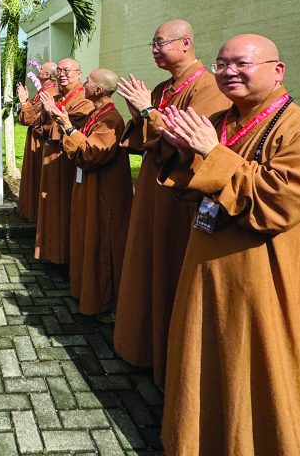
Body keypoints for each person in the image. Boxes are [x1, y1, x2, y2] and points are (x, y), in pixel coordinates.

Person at [157, 34, 300, 455]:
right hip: (213, 276)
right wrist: (186, 152)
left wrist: (212, 153)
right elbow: (197, 188)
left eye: (242, 63)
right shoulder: (220, 122)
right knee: (218, 365)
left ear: (277, 70)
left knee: (272, 375)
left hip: (274, 284)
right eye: (222, 64)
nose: (229, 72)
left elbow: (276, 203)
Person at [112, 19, 228, 386]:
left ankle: (171, 357)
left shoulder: (206, 87)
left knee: (170, 264)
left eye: (160, 42)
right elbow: (147, 137)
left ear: (186, 43)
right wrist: (140, 113)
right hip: (152, 188)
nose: (153, 49)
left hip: (180, 196)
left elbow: (191, 142)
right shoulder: (163, 88)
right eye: (153, 43)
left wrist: (148, 113)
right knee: (147, 259)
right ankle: (143, 343)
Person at [44, 68, 132, 317]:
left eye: (88, 81)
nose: (84, 83)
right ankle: (87, 291)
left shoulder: (111, 119)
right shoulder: (97, 113)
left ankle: (103, 303)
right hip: (90, 186)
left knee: (101, 241)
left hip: (104, 192)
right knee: (87, 235)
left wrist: (67, 126)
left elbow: (92, 153)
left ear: (98, 90)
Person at [34, 58, 94, 264]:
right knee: (51, 202)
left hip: (68, 159)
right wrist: (47, 115)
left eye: (67, 70)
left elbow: (76, 125)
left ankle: (67, 255)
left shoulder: (84, 99)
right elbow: (40, 124)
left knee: (66, 205)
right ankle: (54, 251)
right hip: (52, 156)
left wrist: (53, 116)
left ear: (79, 73)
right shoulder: (59, 97)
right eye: (58, 71)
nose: (62, 75)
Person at [15, 61, 57, 222]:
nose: (38, 69)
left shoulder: (50, 93)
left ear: (47, 75)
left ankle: (39, 213)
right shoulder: (42, 92)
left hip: (40, 141)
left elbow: (30, 119)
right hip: (35, 138)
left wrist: (24, 102)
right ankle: (33, 211)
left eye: (41, 68)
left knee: (38, 175)